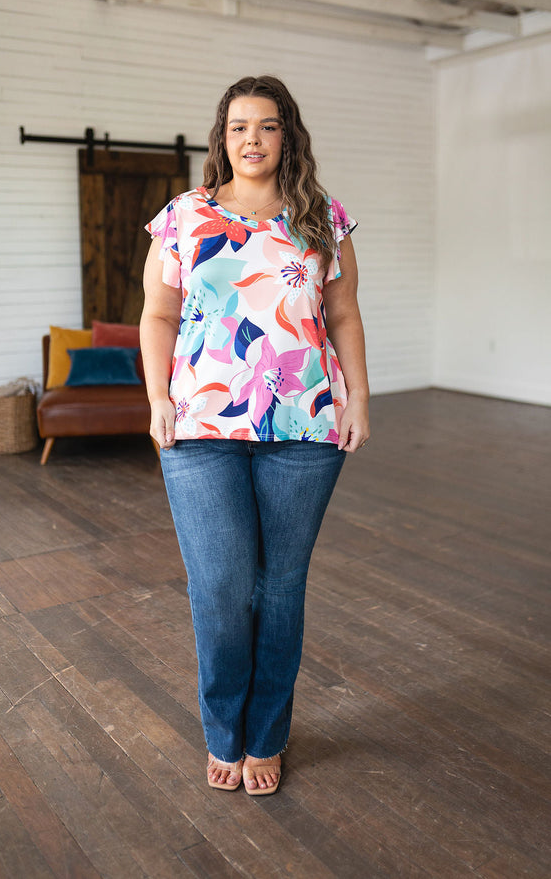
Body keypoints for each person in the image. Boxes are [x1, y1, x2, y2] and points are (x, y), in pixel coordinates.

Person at [140, 75, 369, 795]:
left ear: (286, 135)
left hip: (304, 426)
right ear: (222, 136)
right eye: (239, 126)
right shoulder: (183, 217)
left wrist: (358, 397)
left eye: (267, 126)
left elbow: (344, 316)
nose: (252, 139)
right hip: (200, 425)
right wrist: (155, 399)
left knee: (280, 587)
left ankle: (265, 735)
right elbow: (156, 317)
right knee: (220, 586)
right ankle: (222, 731)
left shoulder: (321, 218)